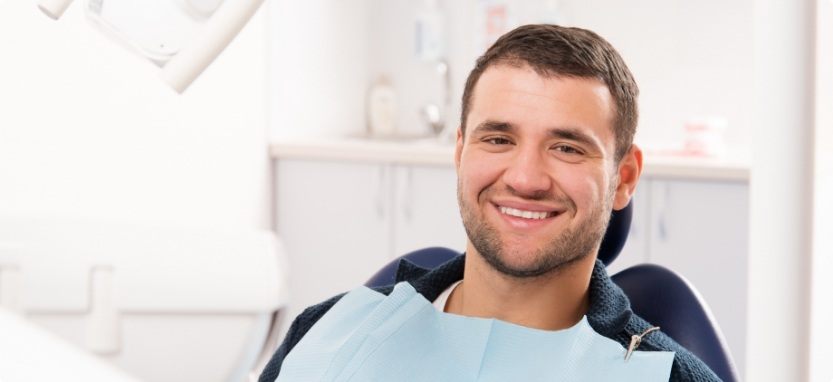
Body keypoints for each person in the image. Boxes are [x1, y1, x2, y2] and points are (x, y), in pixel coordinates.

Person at [259, 24, 721, 382]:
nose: (525, 179)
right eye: (499, 139)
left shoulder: (672, 377)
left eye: (567, 148)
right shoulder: (326, 332)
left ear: (624, 177)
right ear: (460, 152)